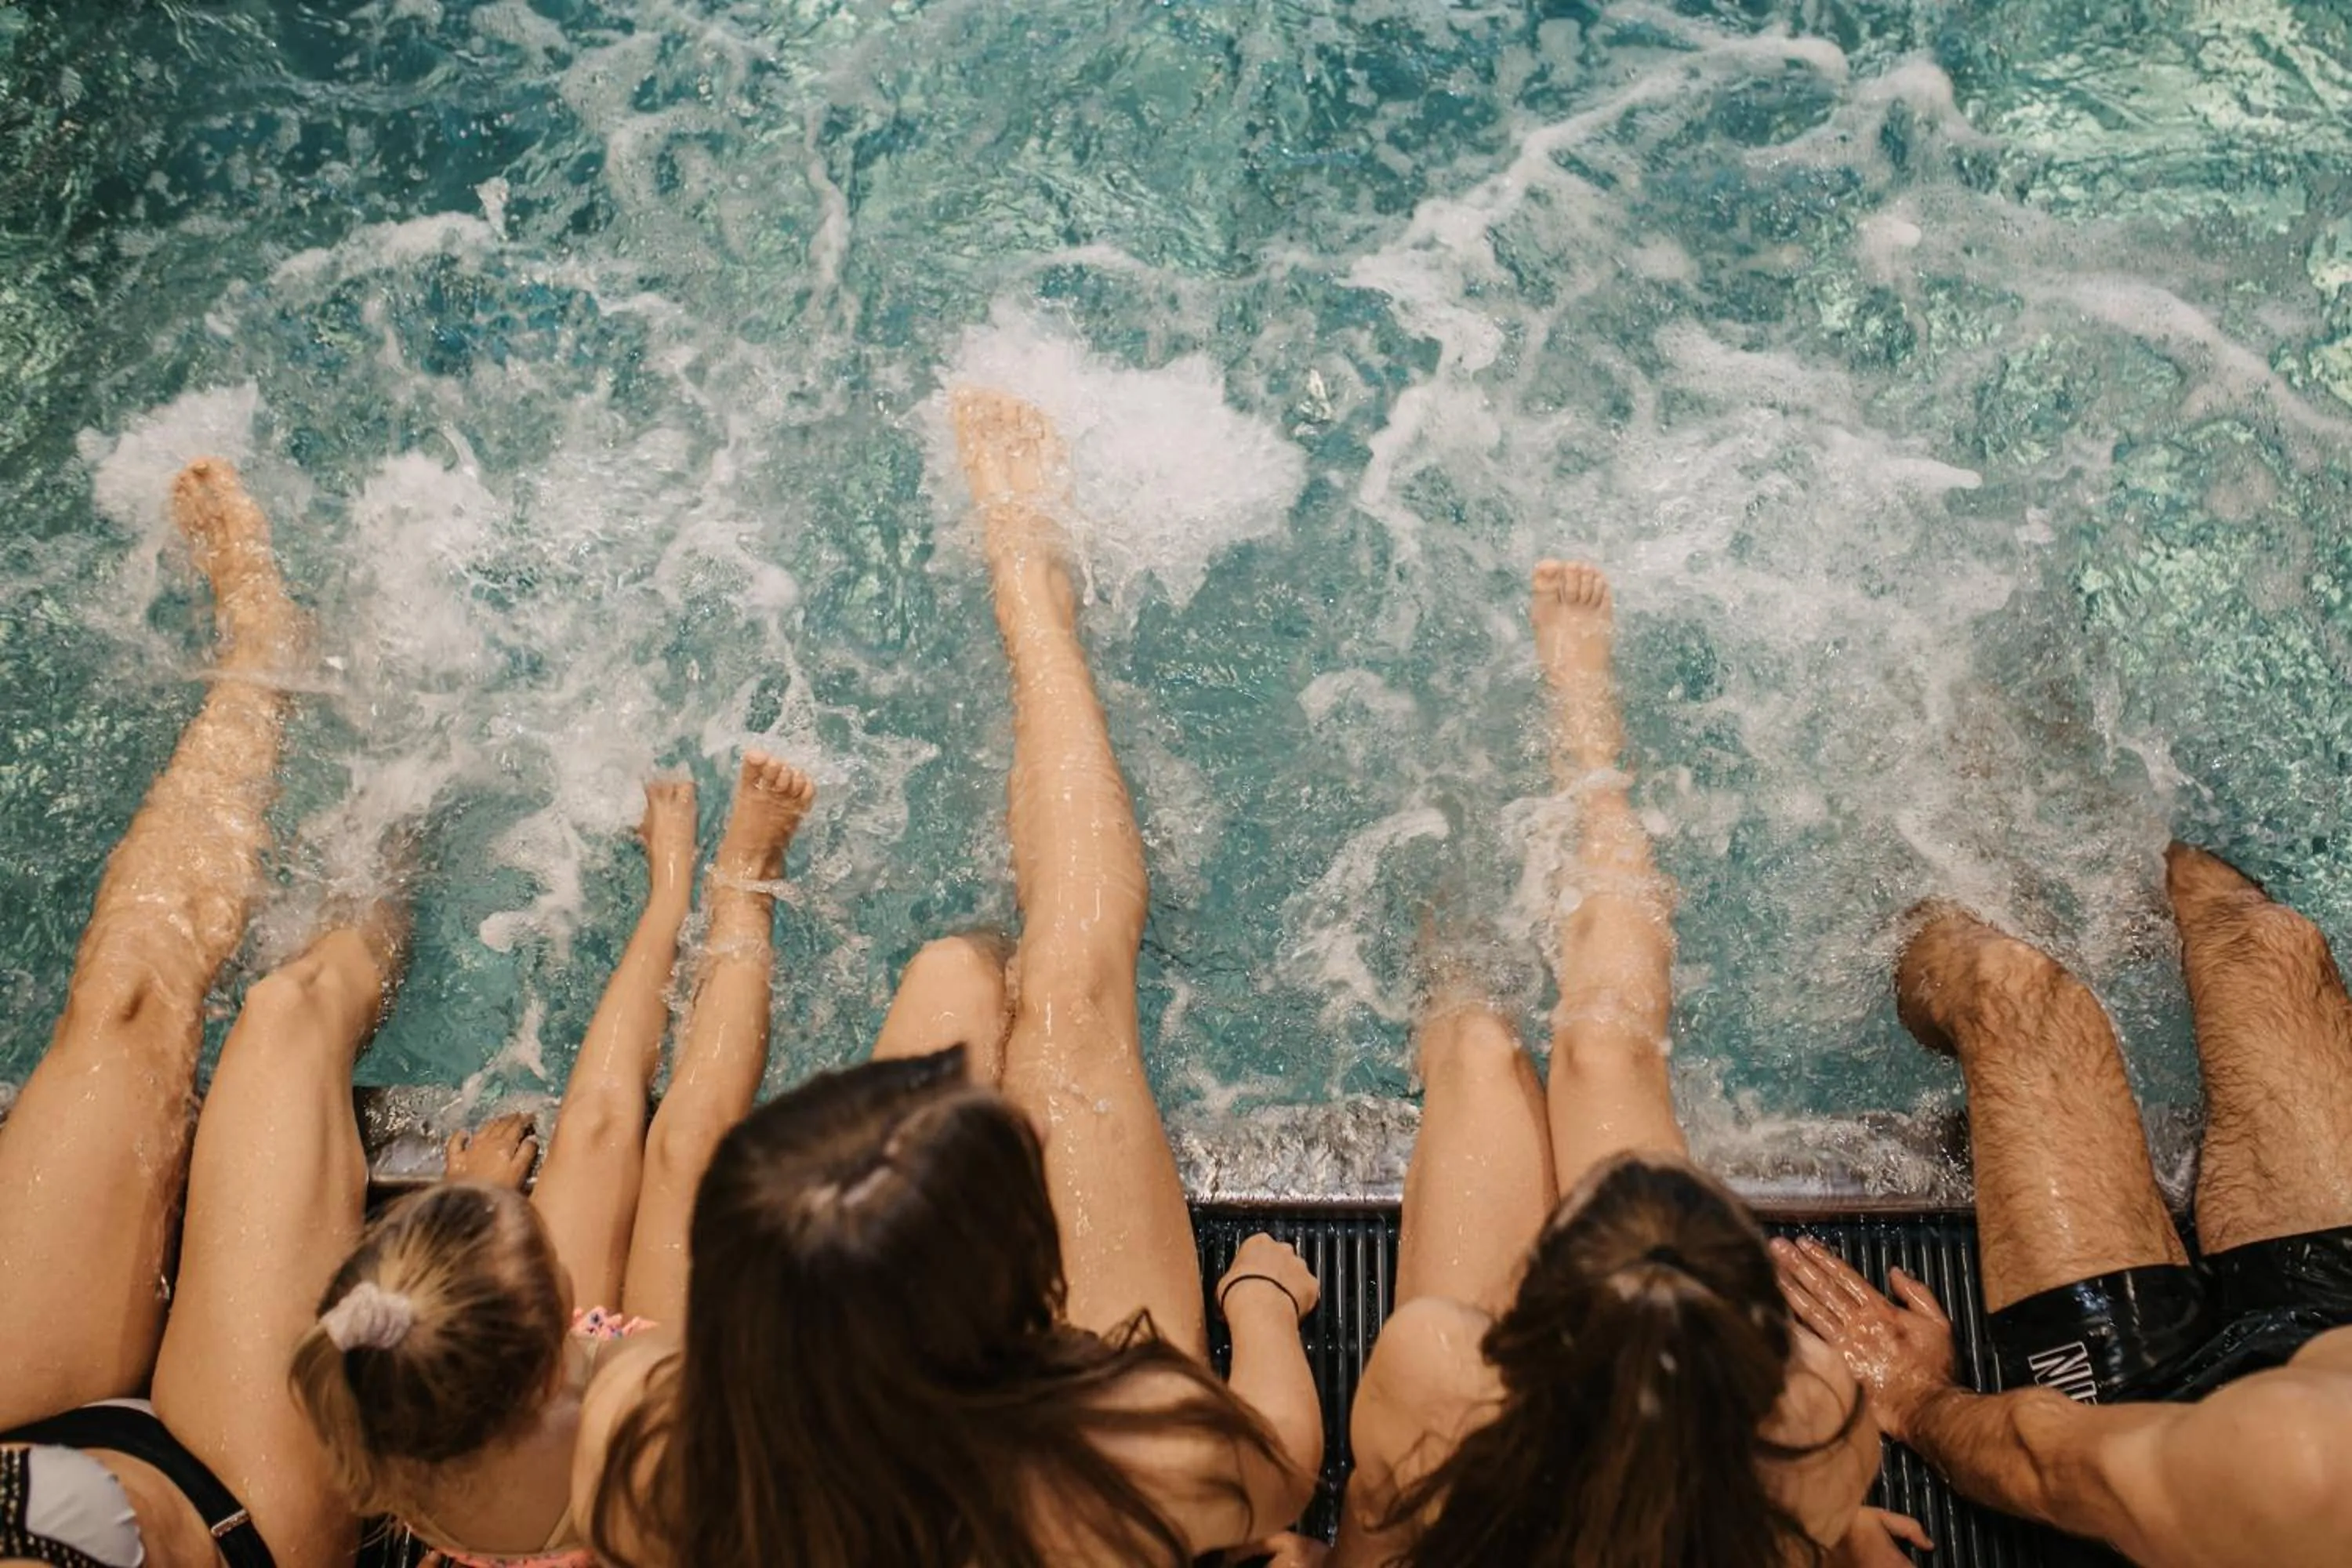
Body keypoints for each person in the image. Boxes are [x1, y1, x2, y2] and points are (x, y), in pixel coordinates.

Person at [572, 388, 1327, 1567]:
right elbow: (1279, 1477)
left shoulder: (652, 1450)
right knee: (1068, 993)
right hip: (1070, 1442)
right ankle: (1033, 597)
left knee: (957, 973)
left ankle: (1028, 654)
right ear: (1025, 1268)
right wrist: (1262, 1306)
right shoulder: (1135, 1465)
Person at [1331, 562, 1918, 1568]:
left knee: (1475, 1044)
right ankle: (1592, 757)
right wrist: (1841, 1534)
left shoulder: (1437, 1378)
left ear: (1528, 1301)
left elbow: (1371, 1543)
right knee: (1604, 1050)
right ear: (1752, 1339)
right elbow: (1805, 1523)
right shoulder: (1813, 1421)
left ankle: (1445, 824)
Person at [0, 459, 403, 1568]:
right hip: (227, 1513)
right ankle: (406, 776)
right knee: (293, 1009)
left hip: (18, 1429)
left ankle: (262, 654)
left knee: (121, 997)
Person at [286, 754, 814, 1568]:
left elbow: (415, 1312)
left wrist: (468, 1199)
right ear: (544, 1365)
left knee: (598, 1125)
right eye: (535, 1249)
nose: (534, 1226)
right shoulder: (653, 1468)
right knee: (692, 1142)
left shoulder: (399, 1423)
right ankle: (746, 880)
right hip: (665, 1396)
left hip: (550, 1416)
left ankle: (668, 896)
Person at [1775, 848, 2352, 1567]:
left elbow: (2040, 1462)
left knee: (2006, 988)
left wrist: (1914, 1398)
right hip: (2330, 1358)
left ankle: (1925, 837)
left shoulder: (2296, 1470)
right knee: (2270, 946)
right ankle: (2121, 829)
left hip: (2164, 1435)